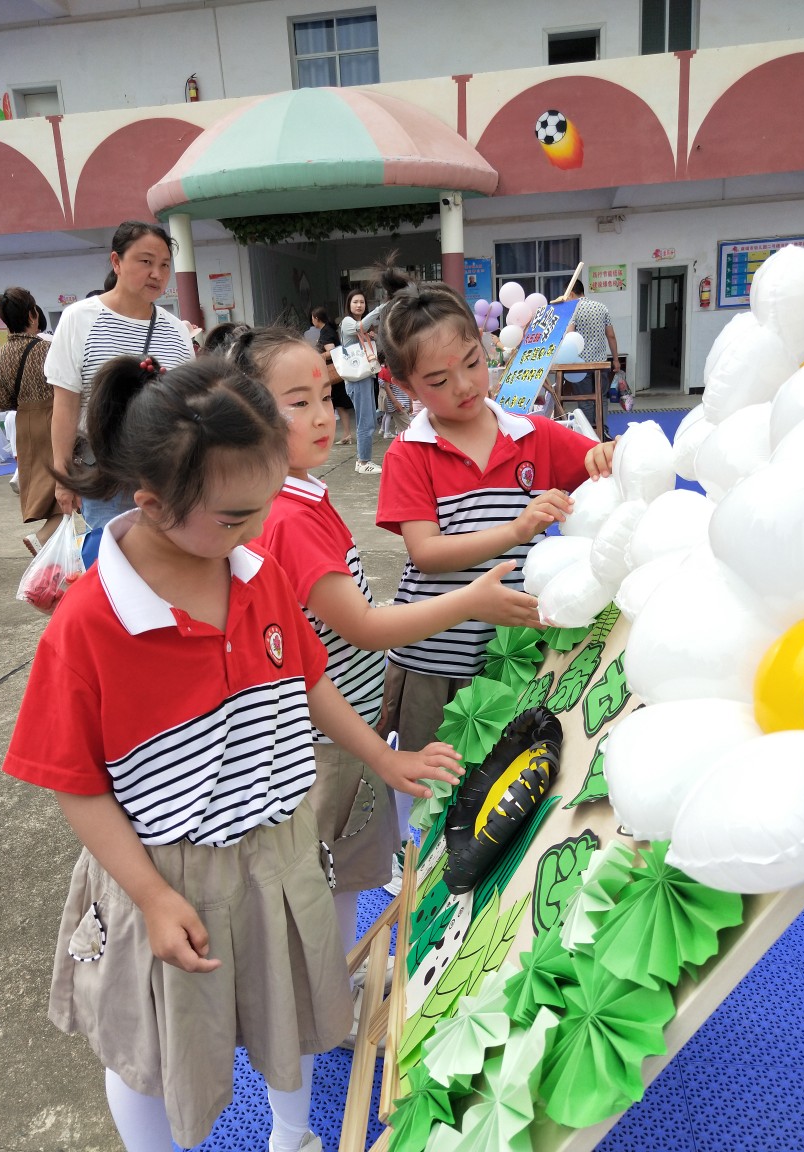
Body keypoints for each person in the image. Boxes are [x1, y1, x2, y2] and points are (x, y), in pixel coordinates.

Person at [1, 351, 462, 1152]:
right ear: (151, 503)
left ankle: (293, 1135)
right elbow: (75, 783)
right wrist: (151, 897)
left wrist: (381, 757)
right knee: (151, 1048)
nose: (256, 529)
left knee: (293, 1010)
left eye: (264, 504)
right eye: (234, 516)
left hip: (279, 847)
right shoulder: (91, 624)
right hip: (170, 873)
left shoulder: (254, 571)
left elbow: (308, 682)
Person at [230, 327, 542, 1023]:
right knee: (329, 878)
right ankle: (323, 1003)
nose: (322, 416)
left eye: (325, 396)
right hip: (328, 740)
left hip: (341, 725)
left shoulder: (299, 496)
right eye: (297, 403)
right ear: (246, 413)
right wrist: (473, 601)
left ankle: (329, 991)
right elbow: (364, 627)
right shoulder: (290, 517)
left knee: (340, 872)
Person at [372, 267, 616, 760]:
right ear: (403, 384)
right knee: (435, 784)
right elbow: (427, 553)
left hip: (516, 655)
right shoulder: (409, 453)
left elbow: (605, 460)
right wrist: (517, 529)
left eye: (473, 362)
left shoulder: (534, 434)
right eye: (438, 380)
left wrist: (607, 454)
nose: (465, 386)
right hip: (435, 662)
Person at [46, 220, 195, 566]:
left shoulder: (176, 331)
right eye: (146, 261)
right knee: (113, 566)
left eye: (164, 265)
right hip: (106, 477)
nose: (157, 274)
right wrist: (63, 477)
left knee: (169, 565)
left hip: (167, 474)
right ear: (116, 262)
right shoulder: (80, 319)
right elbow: (65, 405)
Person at [0, 287, 62, 555]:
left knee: (48, 488)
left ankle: (49, 543)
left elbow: (0, 401)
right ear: (33, 314)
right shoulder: (48, 349)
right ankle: (43, 538)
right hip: (55, 418)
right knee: (67, 487)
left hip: (25, 424)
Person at [564, 279, 621, 437]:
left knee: (585, 401)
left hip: (580, 365)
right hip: (600, 364)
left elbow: (569, 335)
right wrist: (615, 359)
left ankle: (588, 434)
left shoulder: (573, 310)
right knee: (601, 398)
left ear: (572, 293)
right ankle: (602, 431)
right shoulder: (602, 307)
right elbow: (611, 335)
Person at [339, 289, 384, 474]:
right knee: (365, 421)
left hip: (364, 377)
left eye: (362, 302)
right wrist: (380, 309)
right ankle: (363, 462)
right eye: (355, 302)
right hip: (357, 379)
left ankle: (363, 460)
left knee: (369, 420)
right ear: (349, 305)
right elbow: (360, 327)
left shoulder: (362, 327)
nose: (359, 305)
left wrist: (374, 337)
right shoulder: (348, 322)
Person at [311, 305, 353, 445]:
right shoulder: (328, 330)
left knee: (334, 404)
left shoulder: (326, 332)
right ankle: (346, 434)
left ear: (316, 318)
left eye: (313, 318)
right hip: (336, 373)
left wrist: (319, 356)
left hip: (332, 373)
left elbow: (332, 351)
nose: (312, 320)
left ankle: (343, 434)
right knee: (339, 405)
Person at [378, 361, 412, 438]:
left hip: (402, 403)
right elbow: (386, 386)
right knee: (408, 430)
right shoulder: (390, 370)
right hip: (399, 405)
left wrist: (410, 403)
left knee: (403, 431)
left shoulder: (401, 369)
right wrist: (395, 402)